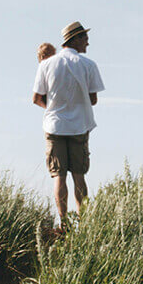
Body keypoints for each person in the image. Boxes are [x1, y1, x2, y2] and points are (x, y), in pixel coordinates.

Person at [33, 21, 105, 228]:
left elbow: (37, 98)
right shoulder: (89, 65)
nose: (87, 43)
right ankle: (84, 223)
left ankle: (63, 222)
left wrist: (54, 107)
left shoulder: (46, 64)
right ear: (75, 39)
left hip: (54, 126)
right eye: (84, 38)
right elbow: (93, 100)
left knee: (59, 177)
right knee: (79, 176)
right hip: (79, 127)